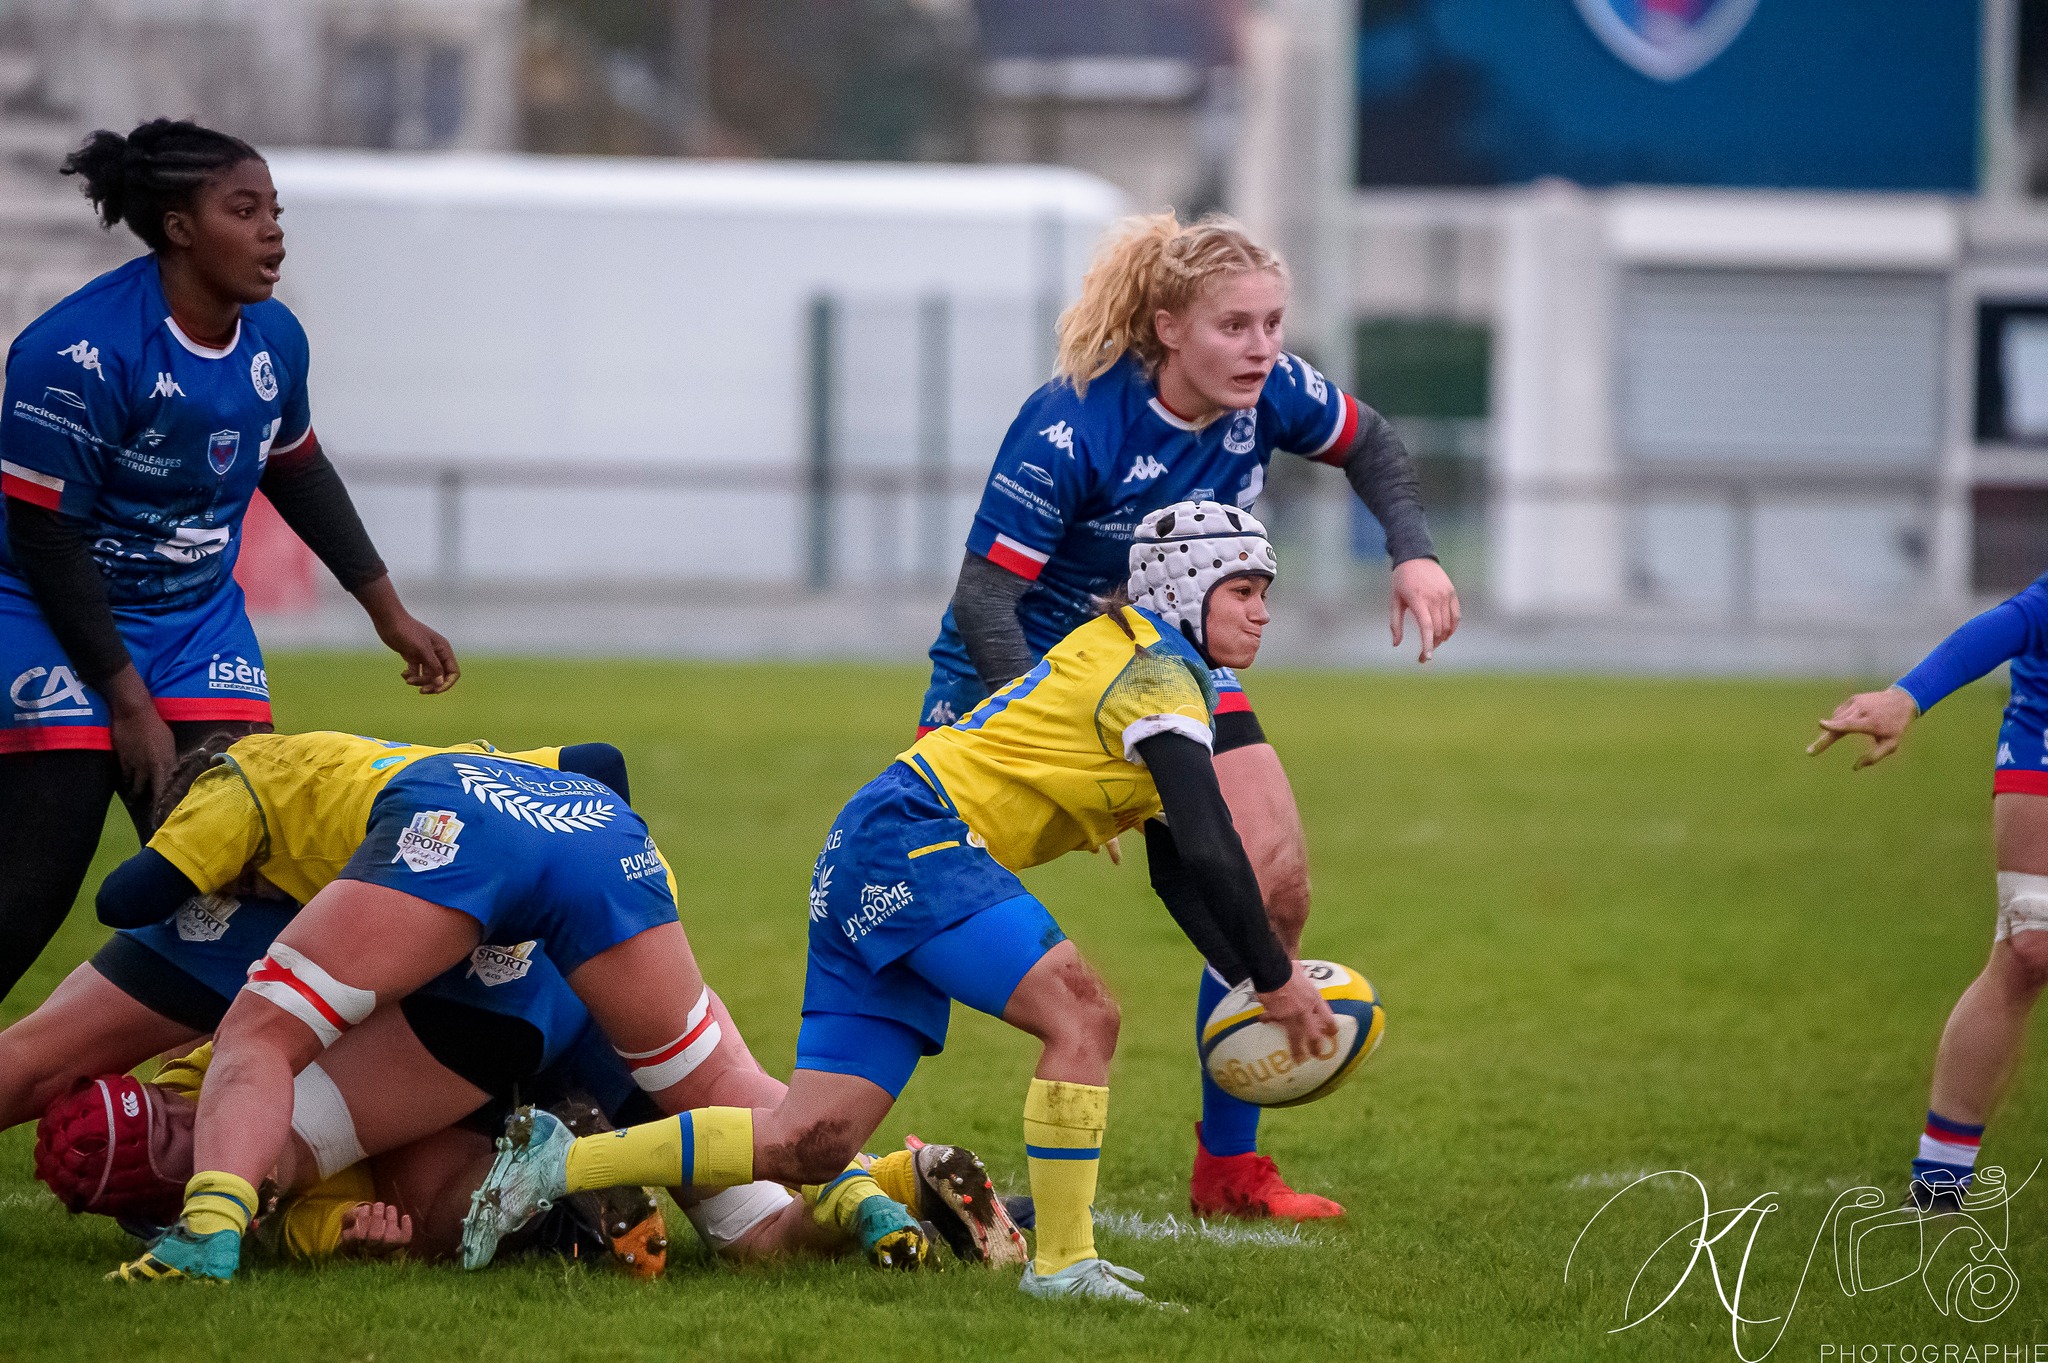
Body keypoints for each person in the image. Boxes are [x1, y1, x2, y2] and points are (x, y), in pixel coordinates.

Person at [462, 501, 1341, 1306]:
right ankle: (1066, 1264)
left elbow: (1180, 869)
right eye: (1245, 588)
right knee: (1085, 1016)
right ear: (1186, 584)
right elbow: (1214, 837)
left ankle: (559, 1161)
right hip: (918, 835)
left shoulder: (1149, 663)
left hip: (872, 841)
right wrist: (1274, 974)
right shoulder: (1161, 672)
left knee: (807, 1142)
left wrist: (1247, 976)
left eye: (1264, 591)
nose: (1263, 609)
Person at [917, 211, 1453, 1220]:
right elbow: (984, 604)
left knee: (1270, 888)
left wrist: (1412, 551)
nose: (1260, 349)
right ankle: (839, 1143)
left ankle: (1229, 1172)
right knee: (918, 921)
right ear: (1167, 328)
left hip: (1170, 671)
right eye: (1232, 326)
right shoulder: (1073, 423)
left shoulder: (1271, 395)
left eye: (1272, 325)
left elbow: (1371, 442)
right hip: (1019, 681)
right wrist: (1067, 757)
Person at [96, 728, 953, 1283]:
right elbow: (602, 760)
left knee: (261, 1032)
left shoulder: (240, 778)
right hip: (603, 835)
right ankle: (858, 1188)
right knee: (720, 1078)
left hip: (459, 846)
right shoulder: (393, 754)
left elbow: (136, 890)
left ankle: (206, 1233)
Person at [0, 118, 456, 1005]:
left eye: (274, 209)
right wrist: (127, 701)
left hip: (194, 623)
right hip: (46, 617)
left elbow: (299, 468)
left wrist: (387, 612)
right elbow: (46, 539)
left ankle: (209, 1106)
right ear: (178, 226)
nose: (273, 230)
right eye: (244, 209)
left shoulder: (274, 341)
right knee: (31, 887)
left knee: (241, 878)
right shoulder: (76, 353)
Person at [1809, 572, 2048, 1209]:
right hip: (2044, 743)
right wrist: (1906, 696)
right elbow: (2019, 620)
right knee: (2029, 949)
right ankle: (1942, 1178)